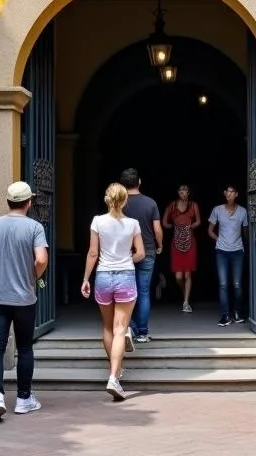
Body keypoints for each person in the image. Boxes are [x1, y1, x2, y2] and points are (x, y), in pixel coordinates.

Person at [0, 181, 49, 422]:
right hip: (24, 299)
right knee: (25, 348)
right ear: (28, 202)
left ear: (8, 201)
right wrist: (32, 277)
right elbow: (40, 260)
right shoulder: (35, 227)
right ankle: (24, 399)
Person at [81, 181, 144, 401]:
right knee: (121, 329)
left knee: (108, 328)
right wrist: (127, 259)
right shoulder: (133, 224)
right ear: (125, 200)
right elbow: (141, 253)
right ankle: (113, 377)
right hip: (125, 275)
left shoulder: (97, 221)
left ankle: (115, 371)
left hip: (103, 276)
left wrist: (85, 279)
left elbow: (92, 253)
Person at [120, 167, 162, 343]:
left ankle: (129, 327)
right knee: (143, 292)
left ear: (122, 185)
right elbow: (157, 229)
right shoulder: (150, 203)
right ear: (139, 182)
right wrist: (160, 245)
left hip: (125, 253)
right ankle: (142, 332)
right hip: (148, 251)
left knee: (124, 292)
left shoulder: (120, 204)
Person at [208, 185, 248, 327]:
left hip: (237, 251)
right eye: (227, 191)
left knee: (237, 284)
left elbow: (246, 232)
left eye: (232, 192)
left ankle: (237, 313)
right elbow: (210, 230)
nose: (229, 194)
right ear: (224, 194)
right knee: (223, 284)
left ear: (236, 194)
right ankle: (225, 315)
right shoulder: (217, 210)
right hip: (221, 252)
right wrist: (217, 239)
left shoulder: (243, 211)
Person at [162, 184, 201, 312]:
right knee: (179, 276)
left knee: (188, 273)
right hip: (176, 242)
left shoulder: (193, 205)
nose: (183, 193)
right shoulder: (172, 205)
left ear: (189, 193)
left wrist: (190, 227)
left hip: (190, 240)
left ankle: (185, 302)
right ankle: (186, 294)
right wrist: (173, 226)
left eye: (186, 190)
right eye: (181, 190)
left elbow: (198, 221)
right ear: (178, 192)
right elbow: (164, 222)